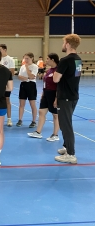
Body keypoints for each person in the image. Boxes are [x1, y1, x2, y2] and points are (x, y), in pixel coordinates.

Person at [53, 34, 82, 164]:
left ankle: (71, 154)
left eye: (64, 43)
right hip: (73, 95)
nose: (63, 45)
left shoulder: (65, 60)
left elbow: (56, 79)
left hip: (65, 97)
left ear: (68, 44)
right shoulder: (78, 59)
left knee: (66, 125)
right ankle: (66, 147)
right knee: (65, 123)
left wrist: (54, 71)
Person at [27, 53, 60, 141]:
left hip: (54, 94)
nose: (46, 60)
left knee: (55, 115)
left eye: (48, 59)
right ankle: (38, 132)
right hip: (46, 93)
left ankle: (55, 134)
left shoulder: (58, 70)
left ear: (53, 60)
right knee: (41, 111)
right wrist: (43, 93)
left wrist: (56, 98)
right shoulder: (49, 70)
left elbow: (59, 85)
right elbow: (46, 83)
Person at [16, 52, 38, 128]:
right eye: (25, 58)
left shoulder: (34, 66)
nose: (26, 60)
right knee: (21, 104)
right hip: (23, 85)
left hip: (31, 85)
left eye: (27, 58)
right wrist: (27, 78)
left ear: (32, 58)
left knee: (32, 104)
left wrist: (27, 68)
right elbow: (19, 76)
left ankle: (34, 121)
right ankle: (20, 120)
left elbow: (32, 76)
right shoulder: (22, 67)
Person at [0, 44, 15, 127]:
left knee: (7, 100)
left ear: (4, 50)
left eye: (0, 49)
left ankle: (9, 119)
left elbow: (11, 72)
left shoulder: (10, 59)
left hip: (6, 83)